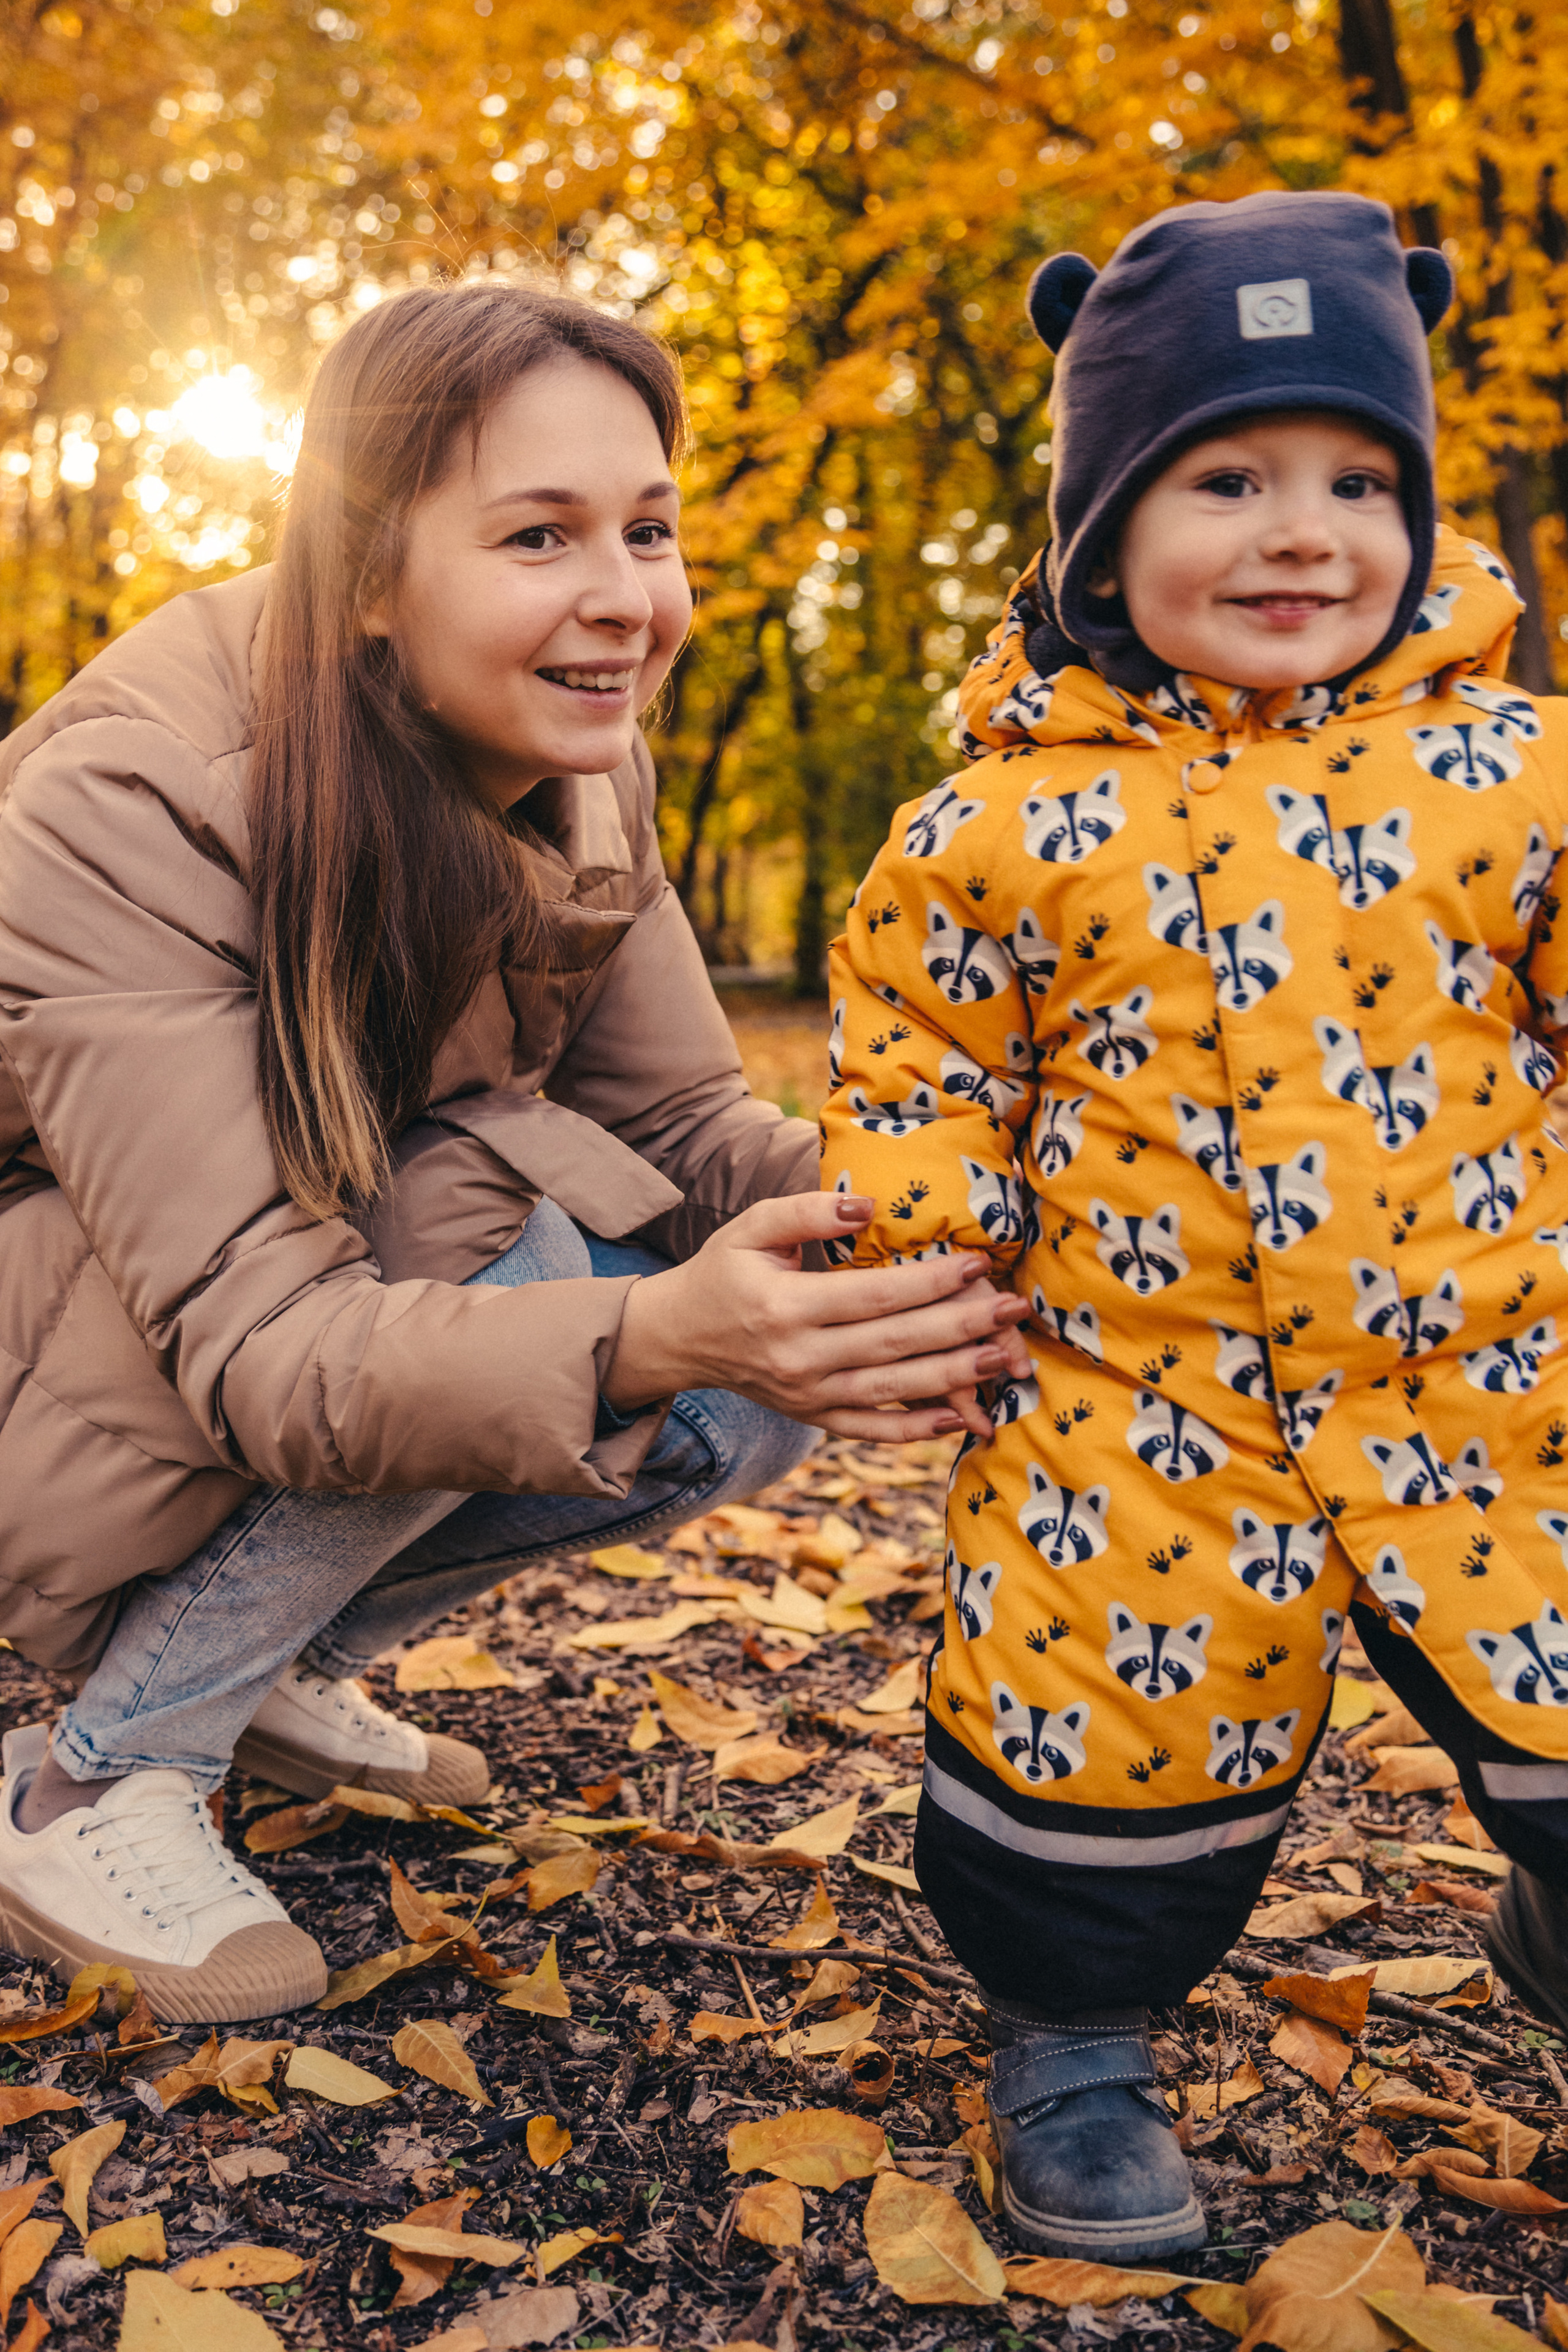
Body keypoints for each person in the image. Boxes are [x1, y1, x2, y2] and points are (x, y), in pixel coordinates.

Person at [0, 282, 1033, 2024]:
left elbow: (693, 1126)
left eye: (648, 528)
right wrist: (655, 1327)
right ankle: (93, 1774)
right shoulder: (137, 801)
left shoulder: (584, 759)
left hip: (246, 1321)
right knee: (511, 1221)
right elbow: (264, 1344)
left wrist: (946, 1212)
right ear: (370, 576)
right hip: (82, 1350)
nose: (624, 599)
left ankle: (264, 1662)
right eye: (540, 535)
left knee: (755, 1373)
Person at [821, 189, 1568, 2265]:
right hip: (1132, 1402)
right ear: (1100, 531)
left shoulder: (1521, 780)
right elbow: (916, 1058)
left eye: (1356, 478)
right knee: (1102, 1754)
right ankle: (1074, 2030)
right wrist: (933, 1244)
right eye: (1227, 479)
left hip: (1489, 1373)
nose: (1303, 531)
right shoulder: (993, 822)